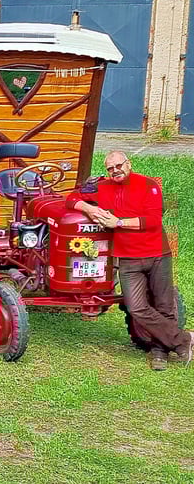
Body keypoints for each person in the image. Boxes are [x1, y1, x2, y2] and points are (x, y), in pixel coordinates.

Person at [67, 150, 193, 370]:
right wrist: (89, 208)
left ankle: (159, 353)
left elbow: (152, 220)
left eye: (119, 165)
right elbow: (72, 199)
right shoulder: (102, 187)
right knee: (136, 307)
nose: (115, 170)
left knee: (163, 306)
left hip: (157, 255)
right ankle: (184, 340)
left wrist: (119, 223)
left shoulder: (148, 185)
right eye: (110, 168)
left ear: (129, 163)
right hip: (128, 258)